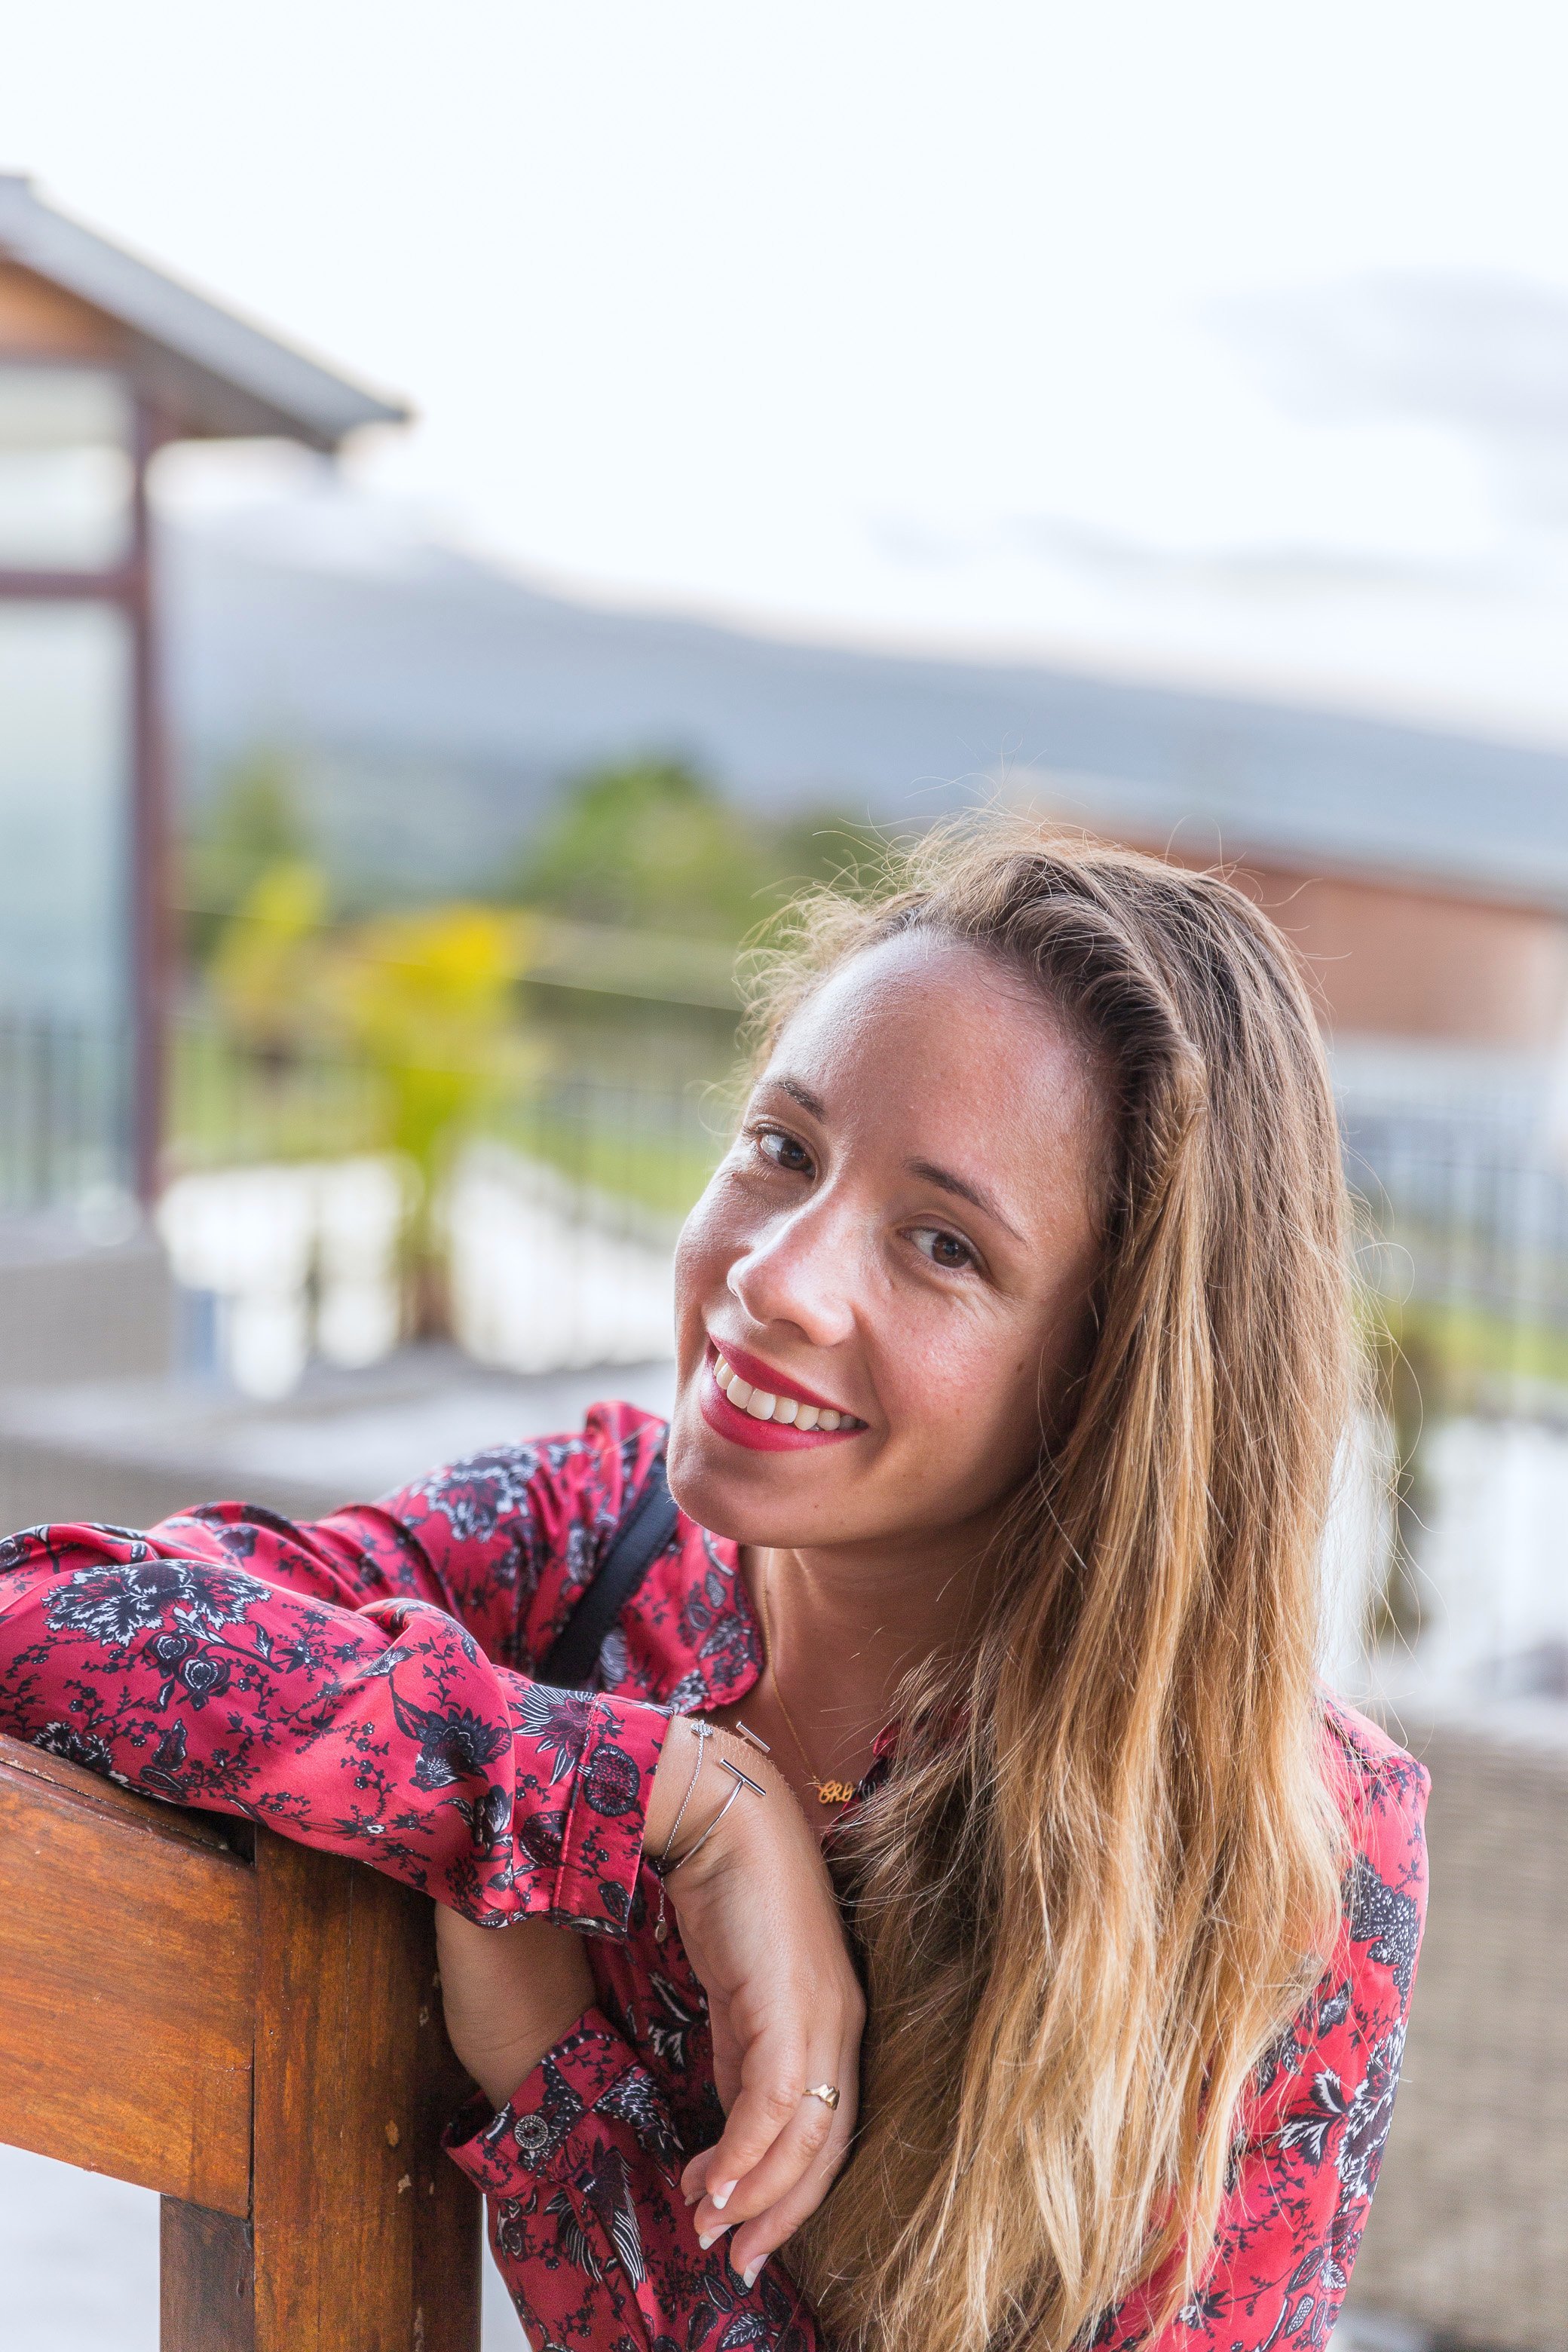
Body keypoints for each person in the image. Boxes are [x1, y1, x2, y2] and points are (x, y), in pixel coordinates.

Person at [0, 824, 1428, 2352]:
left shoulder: (1283, 1863)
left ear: (1109, 1384)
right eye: (783, 1151)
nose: (778, 1278)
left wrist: (559, 2085)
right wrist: (664, 1801)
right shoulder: (596, 1538)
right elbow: (46, 1609)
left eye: (940, 1246)